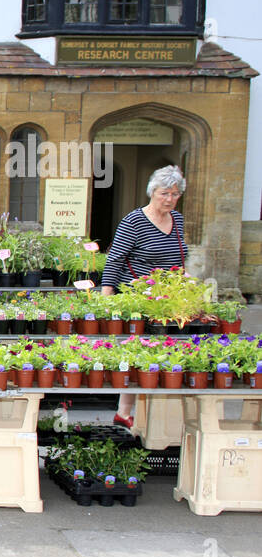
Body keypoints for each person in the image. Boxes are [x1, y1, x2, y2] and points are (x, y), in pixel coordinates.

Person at [100, 164, 187, 429]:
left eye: (174, 194)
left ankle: (146, 415)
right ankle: (125, 410)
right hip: (137, 298)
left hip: (168, 299)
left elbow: (182, 257)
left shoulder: (178, 220)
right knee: (139, 353)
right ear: (152, 192)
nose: (169, 199)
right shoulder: (134, 221)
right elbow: (115, 259)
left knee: (162, 354)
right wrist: (106, 296)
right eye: (164, 193)